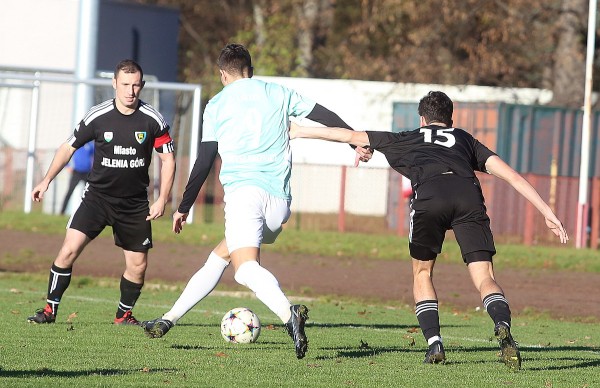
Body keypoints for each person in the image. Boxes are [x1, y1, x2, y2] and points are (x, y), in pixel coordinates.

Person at [289, 91, 568, 369]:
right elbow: (512, 176)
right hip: (467, 196)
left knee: (422, 272)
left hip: (430, 197)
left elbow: (346, 135)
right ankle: (502, 325)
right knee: (484, 275)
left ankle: (435, 343)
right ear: (450, 120)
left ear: (422, 119)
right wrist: (547, 212)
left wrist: (300, 131)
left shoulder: (408, 138)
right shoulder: (465, 140)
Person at [141, 43, 371, 360]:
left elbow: (205, 159)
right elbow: (324, 115)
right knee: (220, 255)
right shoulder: (278, 92)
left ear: (223, 74)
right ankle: (169, 319)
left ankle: (289, 314)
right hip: (279, 203)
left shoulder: (216, 105)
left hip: (244, 196)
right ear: (250, 70)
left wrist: (184, 206)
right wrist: (354, 142)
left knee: (245, 269)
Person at [27, 59, 176, 326]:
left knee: (138, 266)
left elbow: (168, 159)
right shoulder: (98, 115)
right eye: (125, 84)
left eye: (136, 85)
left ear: (142, 85)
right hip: (97, 198)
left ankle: (123, 316)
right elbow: (68, 147)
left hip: (134, 204)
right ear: (114, 83)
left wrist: (163, 198)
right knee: (68, 250)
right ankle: (49, 310)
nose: (131, 91)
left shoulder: (153, 119)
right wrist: (46, 180)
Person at [60, 141, 94, 215]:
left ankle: (90, 213)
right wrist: (67, 166)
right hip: (77, 172)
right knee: (70, 192)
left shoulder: (90, 145)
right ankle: (62, 212)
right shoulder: (77, 143)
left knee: (90, 193)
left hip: (87, 173)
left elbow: (96, 156)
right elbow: (66, 153)